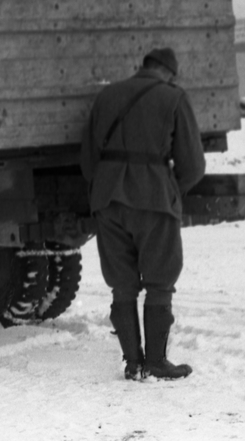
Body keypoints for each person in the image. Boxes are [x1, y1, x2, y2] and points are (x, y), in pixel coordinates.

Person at [80, 48, 207, 381]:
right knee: (160, 281)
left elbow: (88, 160)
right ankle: (156, 362)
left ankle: (132, 363)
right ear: (169, 72)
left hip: (107, 198)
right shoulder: (173, 98)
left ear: (145, 67)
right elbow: (193, 165)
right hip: (153, 198)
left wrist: (106, 189)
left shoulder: (107, 95)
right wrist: (169, 189)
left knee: (121, 285)